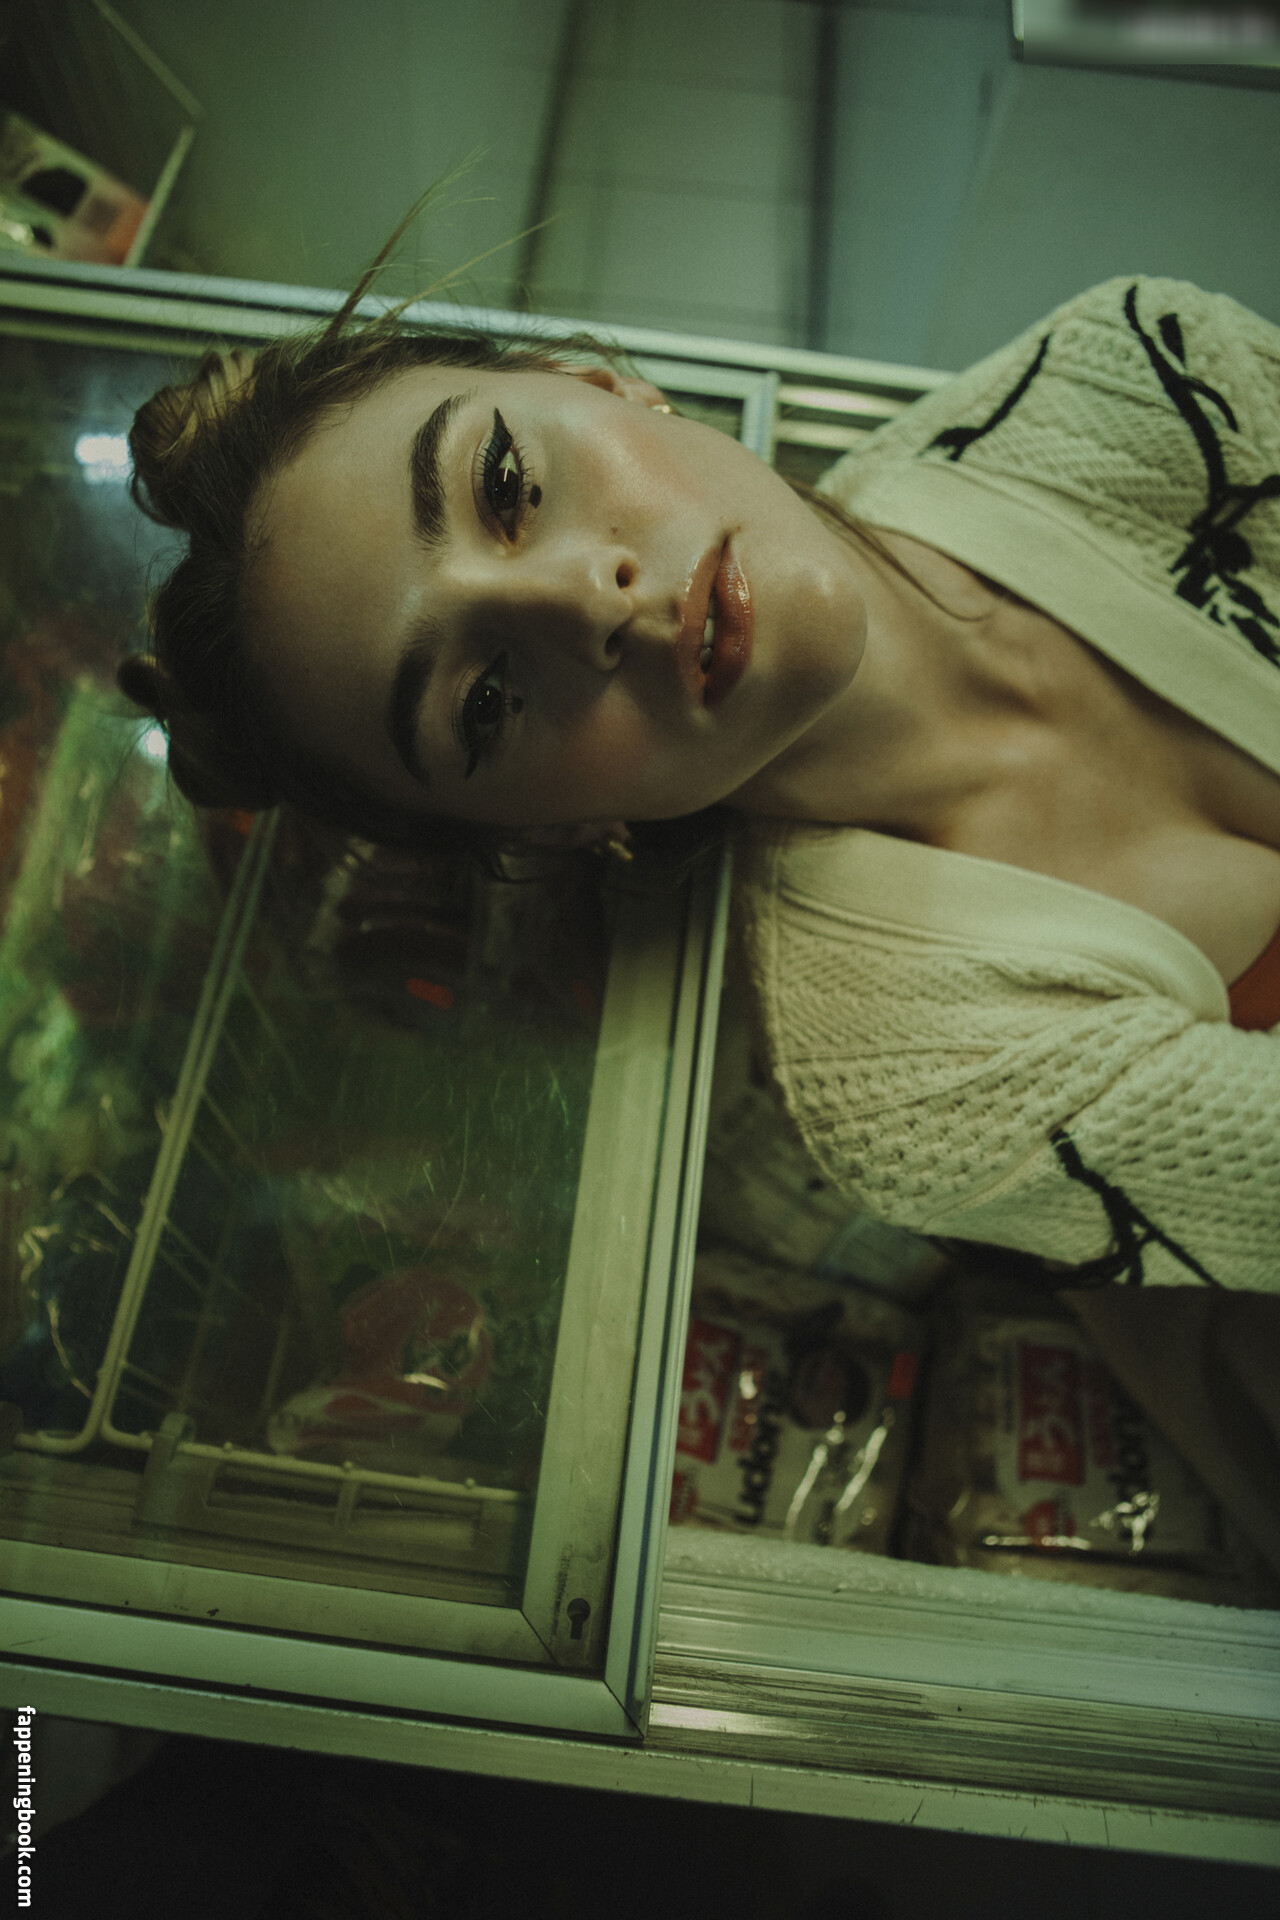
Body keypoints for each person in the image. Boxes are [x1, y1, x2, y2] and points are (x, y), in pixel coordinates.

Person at [118, 269, 1280, 1293]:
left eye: (507, 482)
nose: (583, 599)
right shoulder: (913, 1085)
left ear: (599, 382)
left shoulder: (1134, 379)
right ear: (561, 827)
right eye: (483, 702)